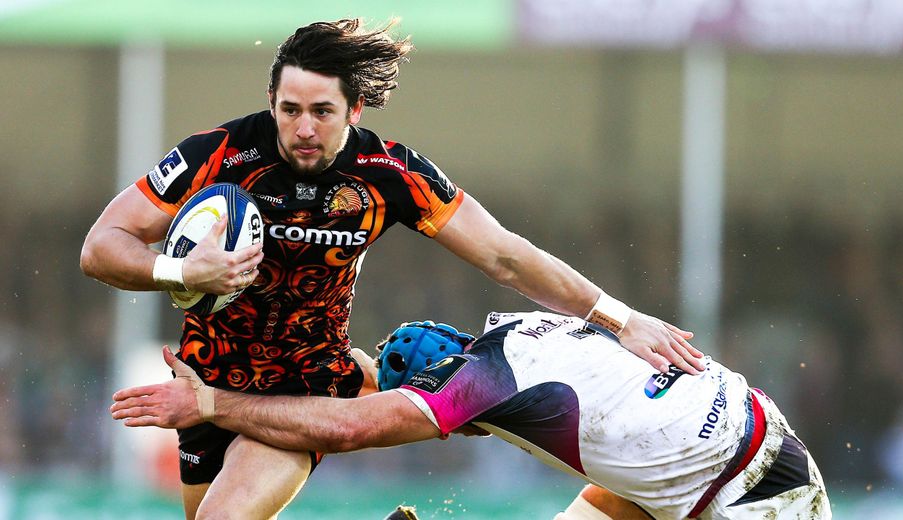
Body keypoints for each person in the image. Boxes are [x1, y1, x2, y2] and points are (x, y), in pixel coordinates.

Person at [82, 18, 704, 518]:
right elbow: (101, 247)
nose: (303, 128)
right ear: (271, 101)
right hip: (204, 380)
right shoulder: (217, 154)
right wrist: (181, 272)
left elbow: (505, 255)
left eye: (322, 111)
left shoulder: (389, 174)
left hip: (306, 386)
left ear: (355, 110)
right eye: (289, 109)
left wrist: (620, 320)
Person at [111, 311, 831, 519]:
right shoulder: (517, 333)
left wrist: (211, 404)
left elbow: (351, 426)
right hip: (721, 449)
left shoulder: (480, 383)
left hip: (758, 486)